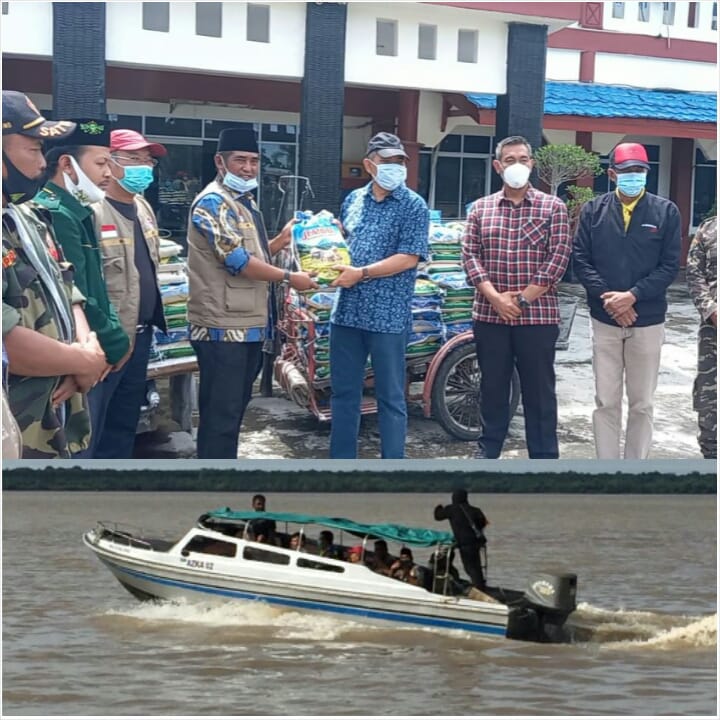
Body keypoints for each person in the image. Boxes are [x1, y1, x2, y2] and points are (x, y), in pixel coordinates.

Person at [186, 126, 317, 459]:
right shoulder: (212, 203)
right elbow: (237, 261)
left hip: (247, 325)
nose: (248, 168)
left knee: (233, 413)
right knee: (221, 416)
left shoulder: (245, 203)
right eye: (240, 160)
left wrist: (281, 241)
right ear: (220, 161)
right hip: (221, 326)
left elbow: (256, 257)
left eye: (254, 161)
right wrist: (290, 277)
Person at [2, 91, 107, 457]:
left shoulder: (27, 215)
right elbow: (5, 338)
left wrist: (82, 350)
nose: (41, 164)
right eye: (33, 150)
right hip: (15, 425)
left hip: (55, 417)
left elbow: (66, 285)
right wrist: (83, 360)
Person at [462, 135, 571, 459]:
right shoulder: (481, 209)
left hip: (537, 318)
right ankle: (488, 453)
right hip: (489, 316)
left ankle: (544, 462)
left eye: (523, 159)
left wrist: (521, 300)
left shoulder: (553, 206)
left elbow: (558, 258)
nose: (517, 166)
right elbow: (470, 256)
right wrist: (496, 299)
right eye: (510, 160)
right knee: (492, 388)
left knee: (539, 393)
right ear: (498, 166)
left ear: (532, 164)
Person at [573, 142, 681, 459]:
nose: (633, 176)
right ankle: (606, 470)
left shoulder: (665, 212)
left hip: (646, 321)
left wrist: (633, 296)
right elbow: (581, 261)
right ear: (612, 173)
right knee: (605, 400)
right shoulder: (593, 211)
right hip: (605, 319)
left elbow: (670, 266)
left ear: (647, 173)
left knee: (642, 402)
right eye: (626, 171)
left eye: (639, 171)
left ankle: (636, 470)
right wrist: (610, 299)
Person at [329, 132, 429, 459]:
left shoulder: (413, 205)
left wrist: (362, 273)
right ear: (370, 165)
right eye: (388, 161)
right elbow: (345, 243)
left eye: (400, 161)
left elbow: (409, 257)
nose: (396, 167)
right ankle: (341, 466)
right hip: (347, 313)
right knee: (344, 394)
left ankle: (392, 469)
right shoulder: (353, 200)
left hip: (387, 317)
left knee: (390, 398)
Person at [34, 120, 131, 457]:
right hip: (79, 353)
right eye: (101, 163)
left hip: (95, 348)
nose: (109, 172)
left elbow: (97, 286)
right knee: (76, 450)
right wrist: (114, 344)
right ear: (66, 164)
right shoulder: (54, 213)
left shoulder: (78, 210)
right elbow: (76, 292)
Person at [91, 128, 168, 458]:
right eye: (134, 159)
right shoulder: (93, 212)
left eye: (148, 160)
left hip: (141, 337)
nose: (144, 167)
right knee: (95, 423)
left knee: (125, 422)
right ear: (110, 162)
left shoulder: (143, 209)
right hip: (107, 341)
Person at [686, 215, 717, 459]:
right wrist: (711, 310)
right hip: (713, 332)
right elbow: (694, 273)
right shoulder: (709, 228)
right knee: (710, 400)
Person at [434, 489, 488, 589]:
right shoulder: (475, 510)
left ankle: (479, 588)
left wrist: (438, 507)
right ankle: (480, 585)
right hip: (476, 543)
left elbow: (438, 517)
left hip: (464, 544)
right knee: (476, 565)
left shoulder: (451, 509)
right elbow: (483, 523)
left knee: (470, 567)